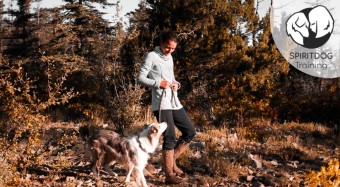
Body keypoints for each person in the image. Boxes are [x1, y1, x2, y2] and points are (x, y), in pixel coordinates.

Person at [137, 30, 196, 184]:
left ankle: (171, 162)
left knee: (189, 131)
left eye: (173, 49)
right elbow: (140, 78)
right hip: (161, 103)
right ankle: (169, 175)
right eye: (167, 47)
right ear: (161, 43)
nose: (170, 51)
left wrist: (176, 84)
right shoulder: (152, 56)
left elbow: (172, 78)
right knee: (169, 136)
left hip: (174, 101)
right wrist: (158, 83)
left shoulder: (170, 58)